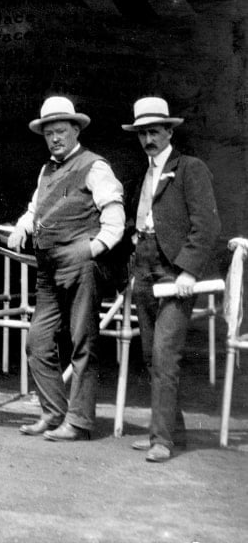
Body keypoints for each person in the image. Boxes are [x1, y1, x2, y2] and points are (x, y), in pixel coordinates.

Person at [7, 96, 125, 441]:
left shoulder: (96, 166)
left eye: (61, 131)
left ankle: (80, 421)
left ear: (75, 130)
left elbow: (115, 223)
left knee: (82, 342)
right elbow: (35, 210)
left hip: (82, 270)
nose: (55, 138)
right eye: (49, 133)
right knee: (37, 344)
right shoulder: (46, 170)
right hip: (48, 270)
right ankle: (54, 413)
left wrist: (88, 251)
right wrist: (21, 227)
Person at [122, 97, 221, 463]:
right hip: (144, 269)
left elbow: (207, 224)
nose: (148, 138)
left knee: (165, 355)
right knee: (150, 356)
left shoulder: (189, 169)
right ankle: (171, 429)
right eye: (142, 133)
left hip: (174, 272)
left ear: (169, 132)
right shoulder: (143, 174)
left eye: (154, 131)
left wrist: (188, 270)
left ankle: (160, 439)